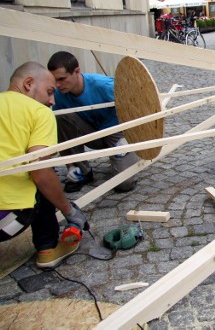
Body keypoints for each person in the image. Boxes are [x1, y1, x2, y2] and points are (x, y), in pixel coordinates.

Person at [1, 62, 89, 268]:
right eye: (49, 92)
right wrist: (68, 210)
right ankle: (47, 249)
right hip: (6, 222)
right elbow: (40, 173)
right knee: (45, 175)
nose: (51, 101)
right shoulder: (38, 113)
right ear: (28, 83)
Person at [47, 51, 139, 193]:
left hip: (116, 133)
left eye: (61, 79)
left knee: (125, 184)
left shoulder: (105, 86)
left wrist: (130, 137)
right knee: (59, 117)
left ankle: (126, 158)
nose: (57, 85)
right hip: (91, 133)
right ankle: (82, 171)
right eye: (54, 80)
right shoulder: (58, 96)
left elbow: (138, 105)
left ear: (76, 71)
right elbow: (61, 135)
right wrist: (70, 166)